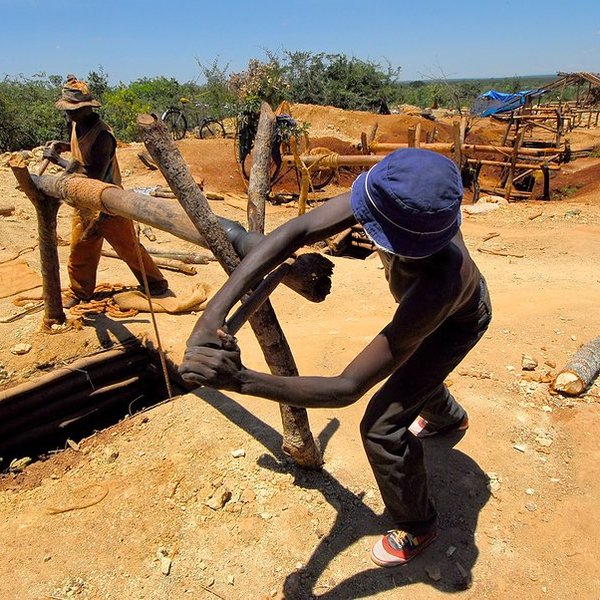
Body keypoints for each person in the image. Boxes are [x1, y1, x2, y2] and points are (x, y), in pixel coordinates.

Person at [179, 148, 492, 567]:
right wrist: (212, 314)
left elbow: (347, 387)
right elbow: (294, 232)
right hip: (426, 308)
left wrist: (240, 380)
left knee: (383, 424)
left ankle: (418, 525)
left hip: (458, 321)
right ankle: (449, 418)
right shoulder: (402, 202)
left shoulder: (441, 283)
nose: (359, 217)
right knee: (414, 374)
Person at [43, 75, 168, 308]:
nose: (68, 114)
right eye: (68, 110)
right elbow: (81, 152)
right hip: (83, 200)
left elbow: (92, 177)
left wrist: (58, 161)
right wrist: (65, 146)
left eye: (73, 110)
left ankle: (156, 282)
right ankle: (80, 291)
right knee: (80, 249)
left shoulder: (102, 136)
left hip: (107, 201)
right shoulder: (77, 124)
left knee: (128, 247)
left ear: (86, 108)